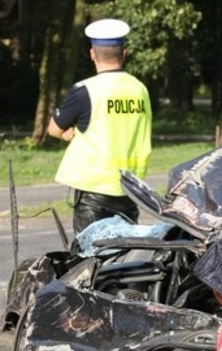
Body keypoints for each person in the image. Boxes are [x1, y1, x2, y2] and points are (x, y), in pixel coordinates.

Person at [48, 18, 152, 235]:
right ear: (124, 54)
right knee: (124, 261)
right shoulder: (140, 90)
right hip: (129, 188)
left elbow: (54, 129)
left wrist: (70, 134)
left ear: (92, 54)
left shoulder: (86, 90)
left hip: (94, 192)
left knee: (90, 261)